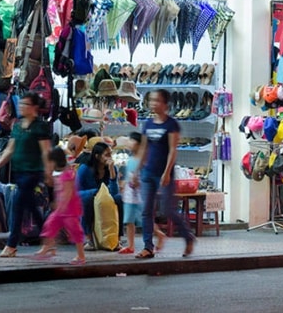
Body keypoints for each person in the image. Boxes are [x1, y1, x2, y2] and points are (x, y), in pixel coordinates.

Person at [0, 91, 53, 258]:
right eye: (20, 103)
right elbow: (10, 149)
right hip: (19, 172)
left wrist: (48, 171)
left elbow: (45, 151)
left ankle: (11, 245)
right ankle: (49, 239)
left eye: (25, 104)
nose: (21, 106)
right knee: (32, 207)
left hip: (33, 172)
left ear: (34, 107)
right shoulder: (18, 126)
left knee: (18, 204)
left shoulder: (40, 127)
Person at [135, 89, 195, 259]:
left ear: (165, 104)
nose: (153, 103)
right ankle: (148, 247)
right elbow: (143, 148)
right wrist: (136, 171)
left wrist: (167, 172)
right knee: (146, 210)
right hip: (148, 172)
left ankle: (188, 236)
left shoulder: (171, 124)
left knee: (168, 209)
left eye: (157, 100)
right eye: (151, 100)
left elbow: (172, 150)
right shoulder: (148, 124)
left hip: (163, 173)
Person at [33, 147, 86, 265]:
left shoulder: (67, 174)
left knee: (75, 232)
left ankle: (81, 256)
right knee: (49, 225)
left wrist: (62, 205)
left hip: (69, 210)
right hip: (60, 210)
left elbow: (68, 192)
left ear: (55, 161)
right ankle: (48, 247)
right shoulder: (60, 173)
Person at [77, 141, 122, 244]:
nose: (110, 157)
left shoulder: (112, 168)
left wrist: (112, 172)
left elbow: (114, 192)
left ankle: (117, 238)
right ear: (97, 156)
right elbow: (76, 192)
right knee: (88, 200)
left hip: (105, 200)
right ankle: (88, 238)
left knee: (119, 198)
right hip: (88, 197)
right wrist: (94, 192)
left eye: (111, 154)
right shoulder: (85, 169)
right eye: (107, 155)